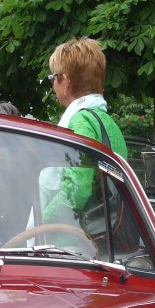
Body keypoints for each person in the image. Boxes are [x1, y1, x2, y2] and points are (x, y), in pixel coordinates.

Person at [44, 37, 127, 222]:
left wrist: (40, 221)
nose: (53, 84)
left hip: (72, 239)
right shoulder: (109, 122)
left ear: (65, 81)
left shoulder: (81, 121)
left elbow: (76, 190)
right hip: (104, 235)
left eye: (53, 77)